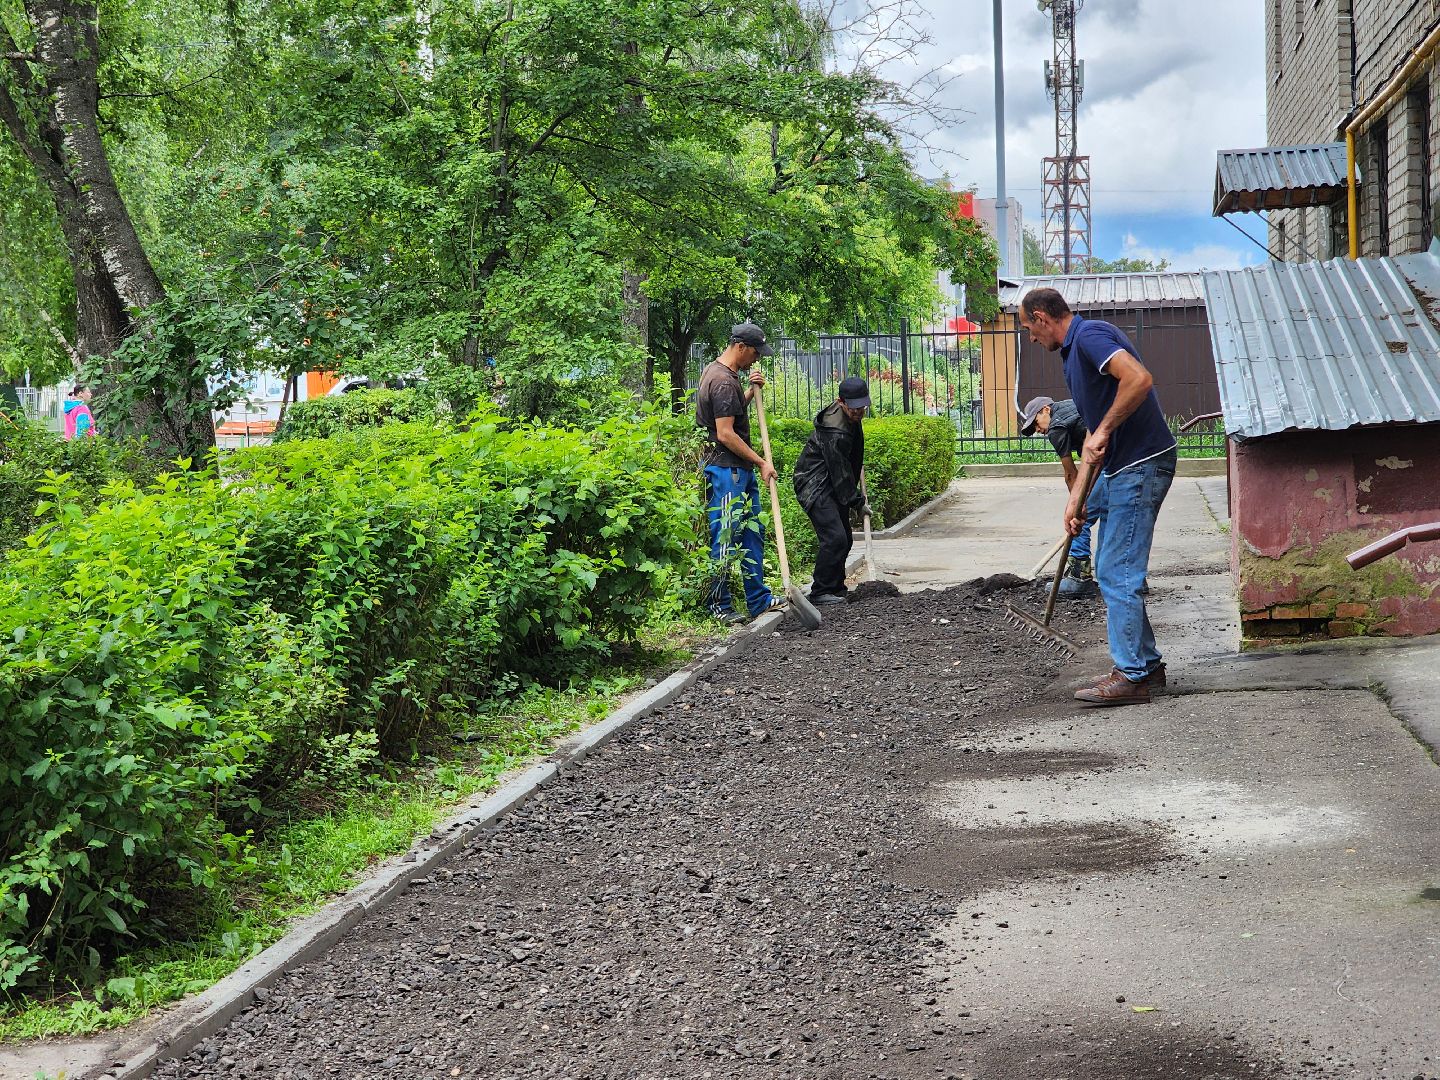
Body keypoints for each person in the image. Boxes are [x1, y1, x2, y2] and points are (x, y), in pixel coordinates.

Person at [1018, 288, 1177, 706]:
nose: (1031, 339)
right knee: (1109, 558)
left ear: (1041, 317)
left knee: (1114, 569)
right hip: (1122, 466)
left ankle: (1133, 675)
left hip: (1141, 462)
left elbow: (1139, 379)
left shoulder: (1089, 337)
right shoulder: (1072, 355)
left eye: (1028, 329)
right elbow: (1092, 433)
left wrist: (1104, 431)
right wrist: (1077, 501)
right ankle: (1147, 665)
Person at [695, 322, 786, 625]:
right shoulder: (721, 380)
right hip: (726, 471)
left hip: (738, 469)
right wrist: (762, 462)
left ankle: (757, 599)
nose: (757, 359)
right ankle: (718, 605)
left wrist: (749, 391)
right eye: (756, 353)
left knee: (751, 534)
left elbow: (730, 414)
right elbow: (725, 433)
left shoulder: (726, 376)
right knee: (725, 537)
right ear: (740, 347)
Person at [792, 376, 871, 605]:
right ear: (841, 402)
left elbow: (847, 465)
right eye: (854, 408)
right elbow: (840, 473)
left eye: (862, 406)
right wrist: (857, 501)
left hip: (830, 482)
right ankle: (820, 591)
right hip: (814, 484)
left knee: (845, 538)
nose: (859, 412)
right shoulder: (835, 430)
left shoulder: (849, 417)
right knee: (834, 537)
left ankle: (835, 587)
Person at [1019, 395, 1101, 598]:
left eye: (1036, 423)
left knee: (1080, 518)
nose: (1038, 430)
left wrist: (1077, 503)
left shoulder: (1056, 428)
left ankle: (1078, 577)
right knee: (1116, 514)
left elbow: (1070, 474)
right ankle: (1130, 578)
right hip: (1128, 457)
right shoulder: (1072, 406)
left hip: (1109, 461)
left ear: (1045, 409)